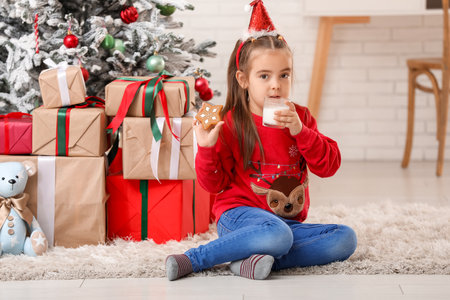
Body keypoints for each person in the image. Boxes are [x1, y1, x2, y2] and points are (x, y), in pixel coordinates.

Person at [165, 0, 357, 281]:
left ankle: (249, 261)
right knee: (277, 234)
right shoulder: (230, 122)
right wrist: (206, 148)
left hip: (285, 222)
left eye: (284, 75)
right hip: (238, 218)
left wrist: (301, 132)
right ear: (243, 79)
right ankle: (196, 258)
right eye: (264, 76)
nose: (276, 84)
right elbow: (213, 185)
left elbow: (329, 166)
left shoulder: (300, 117)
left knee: (344, 239)